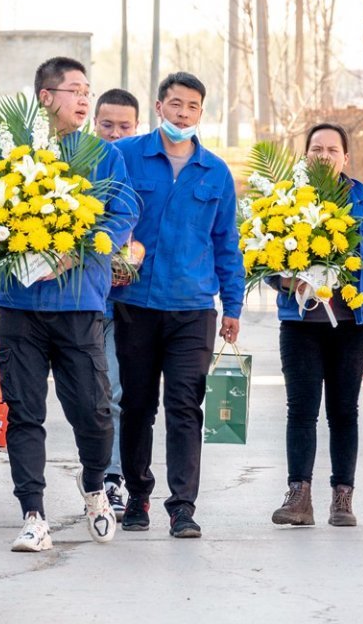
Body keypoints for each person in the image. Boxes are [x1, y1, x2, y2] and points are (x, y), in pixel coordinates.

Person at [0, 57, 137, 553]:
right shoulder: (10, 150)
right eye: (74, 89)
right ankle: (33, 515)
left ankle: (94, 485)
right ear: (45, 96)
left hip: (79, 306)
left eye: (86, 90)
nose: (83, 98)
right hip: (20, 304)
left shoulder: (102, 155)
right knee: (24, 412)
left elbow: (125, 209)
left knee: (95, 412)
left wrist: (80, 247)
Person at [111, 72, 245, 538]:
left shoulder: (216, 172)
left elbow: (227, 241)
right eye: (175, 104)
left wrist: (233, 305)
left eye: (191, 106)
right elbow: (102, 216)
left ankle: (182, 506)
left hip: (193, 307)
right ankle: (137, 496)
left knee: (185, 405)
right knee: (138, 405)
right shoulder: (126, 156)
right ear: (158, 106)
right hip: (135, 304)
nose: (182, 112)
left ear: (201, 113)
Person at [270, 123, 363, 528]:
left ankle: (342, 498)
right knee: (301, 411)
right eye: (316, 148)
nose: (324, 155)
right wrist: (285, 279)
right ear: (304, 156)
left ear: (346, 158)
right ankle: (299, 496)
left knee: (343, 411)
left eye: (332, 149)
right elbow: (266, 256)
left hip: (351, 326)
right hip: (300, 324)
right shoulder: (286, 200)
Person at [92, 88, 140, 520]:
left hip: (123, 306)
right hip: (78, 303)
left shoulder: (141, 165)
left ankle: (111, 478)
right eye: (107, 125)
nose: (115, 134)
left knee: (115, 394)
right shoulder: (79, 165)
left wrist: (135, 256)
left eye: (124, 127)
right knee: (89, 397)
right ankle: (94, 475)